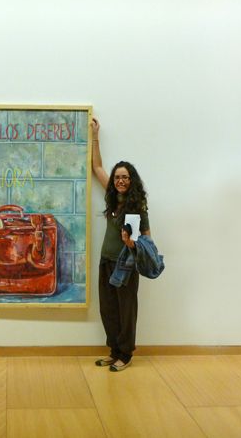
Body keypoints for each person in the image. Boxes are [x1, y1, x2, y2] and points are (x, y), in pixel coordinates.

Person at [91, 117, 151, 372]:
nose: (120, 181)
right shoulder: (112, 197)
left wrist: (132, 243)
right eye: (117, 177)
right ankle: (114, 351)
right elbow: (97, 167)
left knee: (126, 311)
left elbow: (147, 239)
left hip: (125, 265)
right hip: (106, 261)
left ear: (131, 180)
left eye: (125, 177)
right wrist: (95, 135)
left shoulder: (138, 206)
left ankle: (125, 355)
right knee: (108, 310)